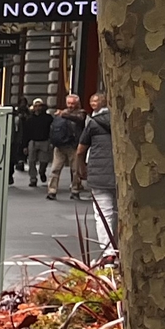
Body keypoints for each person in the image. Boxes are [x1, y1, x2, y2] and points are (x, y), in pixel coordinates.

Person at [81, 94, 117, 250]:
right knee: (122, 213)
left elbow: (80, 150)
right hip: (120, 176)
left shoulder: (94, 123)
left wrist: (81, 169)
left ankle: (108, 253)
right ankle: (120, 250)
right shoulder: (124, 122)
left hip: (99, 174)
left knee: (103, 214)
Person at [47, 97, 85, 199]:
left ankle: (75, 190)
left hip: (74, 146)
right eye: (68, 103)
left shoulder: (80, 113)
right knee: (55, 168)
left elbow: (80, 119)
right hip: (60, 146)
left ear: (77, 103)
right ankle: (52, 190)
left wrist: (64, 114)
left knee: (75, 170)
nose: (70, 105)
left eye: (72, 103)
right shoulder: (61, 113)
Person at [14, 99, 50, 187]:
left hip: (44, 141)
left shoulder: (48, 118)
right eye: (36, 106)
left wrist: (51, 141)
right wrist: (25, 146)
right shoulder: (29, 119)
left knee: (44, 161)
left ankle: (42, 172)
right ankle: (33, 179)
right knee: (31, 161)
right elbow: (26, 133)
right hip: (32, 142)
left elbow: (51, 130)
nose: (37, 108)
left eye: (39, 106)